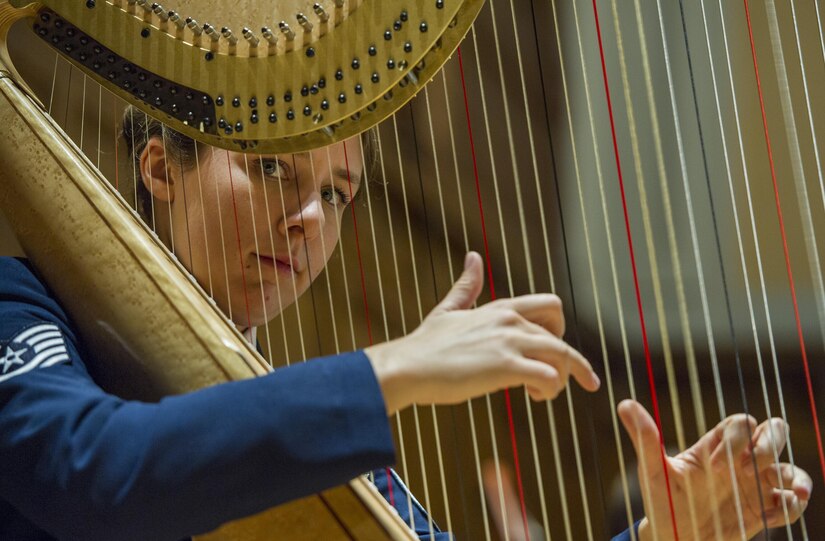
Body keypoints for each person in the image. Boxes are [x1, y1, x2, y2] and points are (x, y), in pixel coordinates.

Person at [0, 108, 810, 540]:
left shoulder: (299, 422)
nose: (310, 217)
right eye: (273, 165)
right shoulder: (19, 302)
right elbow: (92, 472)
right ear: (158, 167)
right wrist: (393, 369)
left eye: (340, 192)